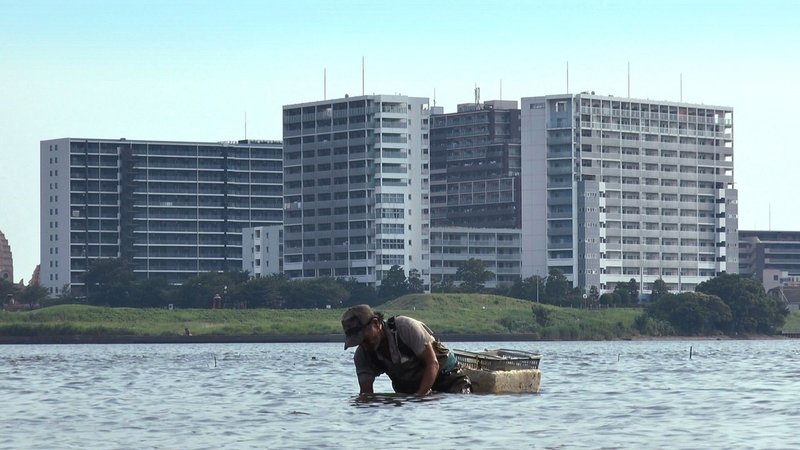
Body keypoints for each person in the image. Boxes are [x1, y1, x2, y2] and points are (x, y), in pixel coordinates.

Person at [341, 304, 471, 395]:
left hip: (448, 378)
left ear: (376, 323)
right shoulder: (362, 356)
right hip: (412, 391)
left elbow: (433, 363)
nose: (364, 344)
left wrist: (420, 398)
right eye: (358, 342)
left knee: (461, 397)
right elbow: (366, 395)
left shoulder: (405, 327)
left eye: (364, 337)